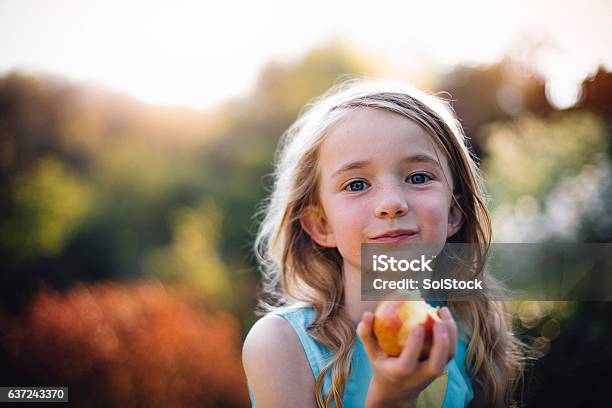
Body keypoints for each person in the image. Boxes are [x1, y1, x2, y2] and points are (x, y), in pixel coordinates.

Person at [242, 77, 524, 407]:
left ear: (454, 213)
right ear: (321, 225)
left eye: (418, 177)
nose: (391, 203)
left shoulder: (470, 330)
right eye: (357, 184)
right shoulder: (281, 345)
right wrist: (392, 398)